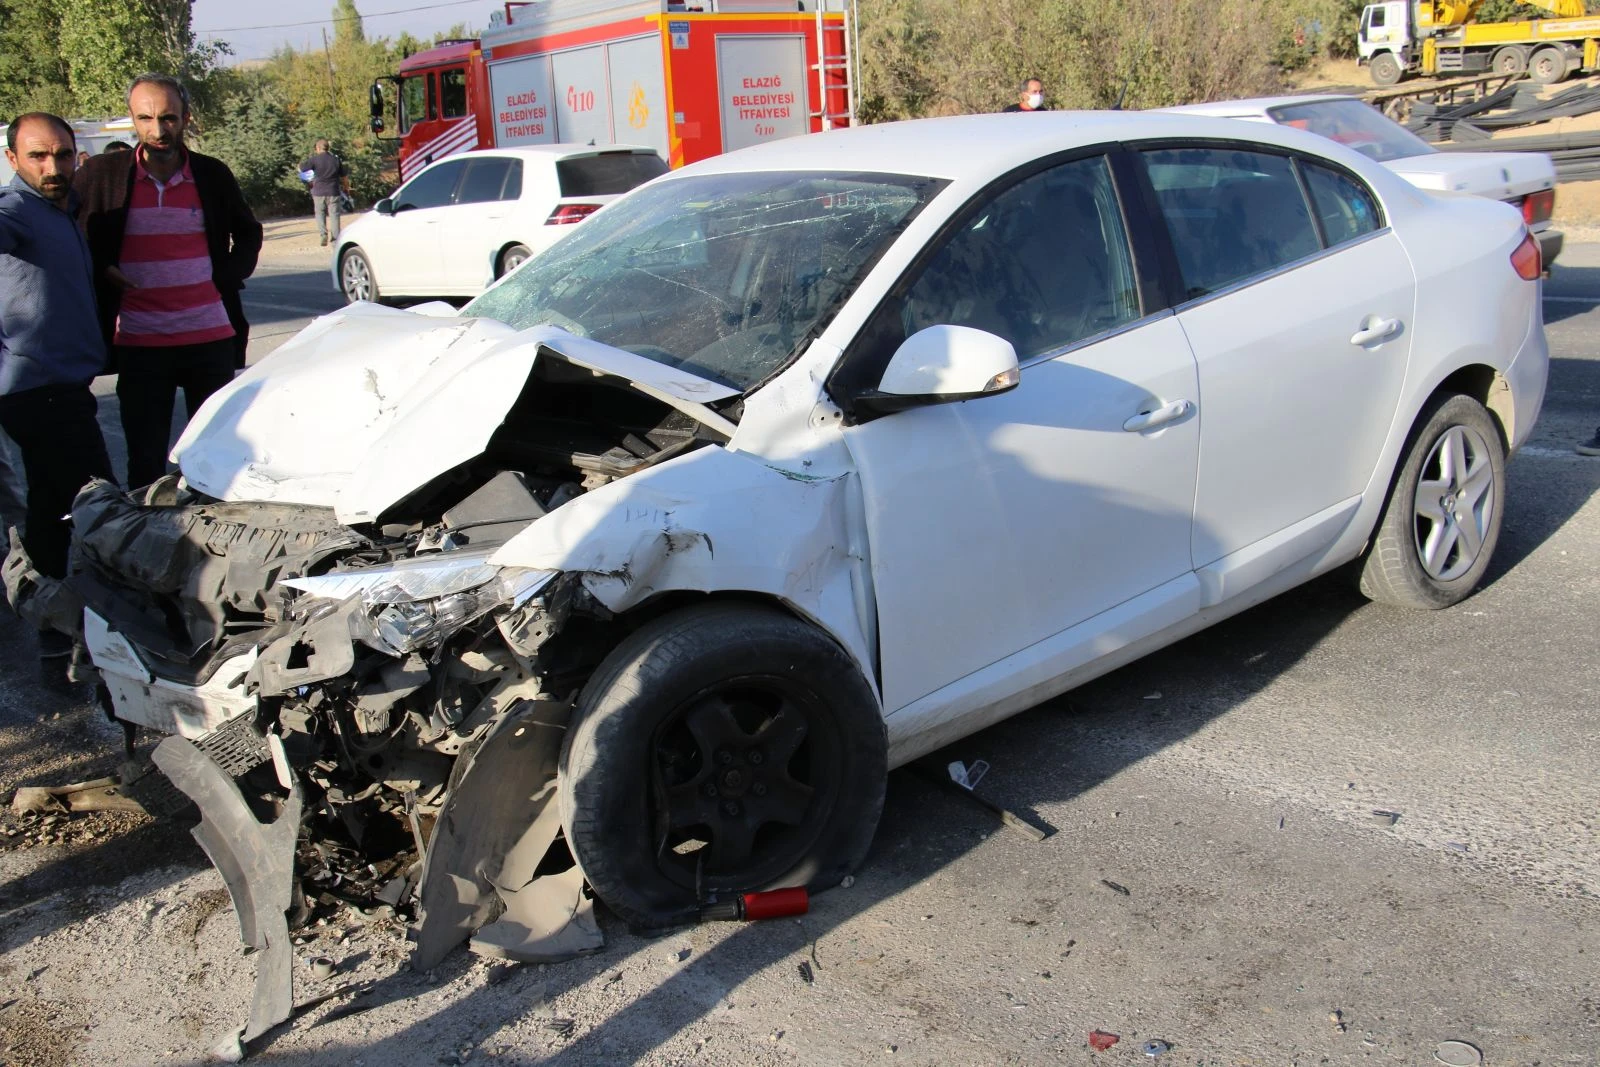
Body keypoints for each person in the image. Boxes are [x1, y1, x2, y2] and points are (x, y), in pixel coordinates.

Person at [75, 73, 262, 491]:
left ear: (186, 118)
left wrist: (223, 278)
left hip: (209, 339)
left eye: (169, 118)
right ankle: (146, 546)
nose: (158, 130)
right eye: (146, 118)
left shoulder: (211, 175)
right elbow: (74, 234)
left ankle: (215, 543)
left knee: (215, 456)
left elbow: (248, 231)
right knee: (146, 460)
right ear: (133, 120)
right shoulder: (102, 176)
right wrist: (103, 267)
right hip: (141, 346)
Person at [0, 113, 116, 657]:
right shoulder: (15, 211)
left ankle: (51, 623)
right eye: (38, 157)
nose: (53, 167)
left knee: (50, 503)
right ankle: (112, 626)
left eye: (63, 155)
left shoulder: (60, 210)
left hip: (59, 385)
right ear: (12, 160)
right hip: (37, 389)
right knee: (98, 499)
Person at [299, 138, 349, 247]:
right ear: (327, 148)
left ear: (317, 148)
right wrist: (346, 188)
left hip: (318, 192)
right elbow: (344, 176)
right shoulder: (336, 160)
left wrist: (299, 168)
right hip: (334, 191)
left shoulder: (314, 159)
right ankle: (335, 239)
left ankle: (323, 234)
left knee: (320, 213)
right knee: (334, 215)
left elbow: (302, 169)